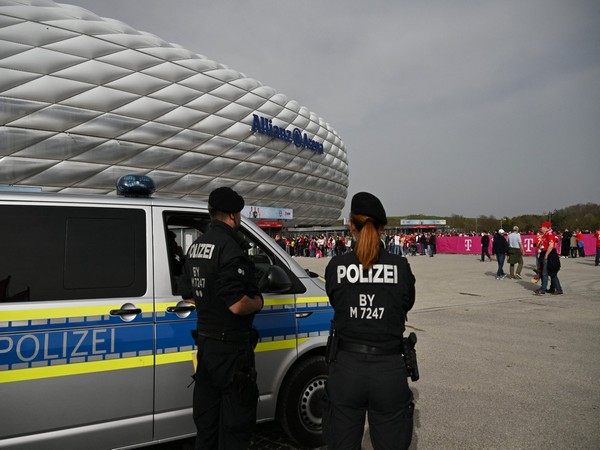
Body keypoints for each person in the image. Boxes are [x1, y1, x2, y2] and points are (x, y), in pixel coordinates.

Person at [323, 192, 416, 450]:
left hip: (346, 369)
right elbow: (406, 304)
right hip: (388, 369)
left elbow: (336, 301)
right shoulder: (401, 266)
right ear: (383, 228)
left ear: (351, 225)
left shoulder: (336, 266)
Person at [179, 186, 264, 449]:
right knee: (235, 427)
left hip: (206, 348)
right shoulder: (230, 248)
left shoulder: (196, 247)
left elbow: (188, 295)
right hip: (232, 353)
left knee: (207, 425)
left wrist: (211, 304)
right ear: (232, 216)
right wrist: (258, 301)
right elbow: (238, 305)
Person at [534, 221, 563, 296]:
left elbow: (551, 245)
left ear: (545, 227)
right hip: (545, 253)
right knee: (546, 273)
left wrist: (546, 255)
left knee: (546, 273)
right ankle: (548, 288)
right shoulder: (544, 235)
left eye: (542, 227)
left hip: (549, 254)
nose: (540, 228)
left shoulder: (549, 234)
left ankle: (544, 289)